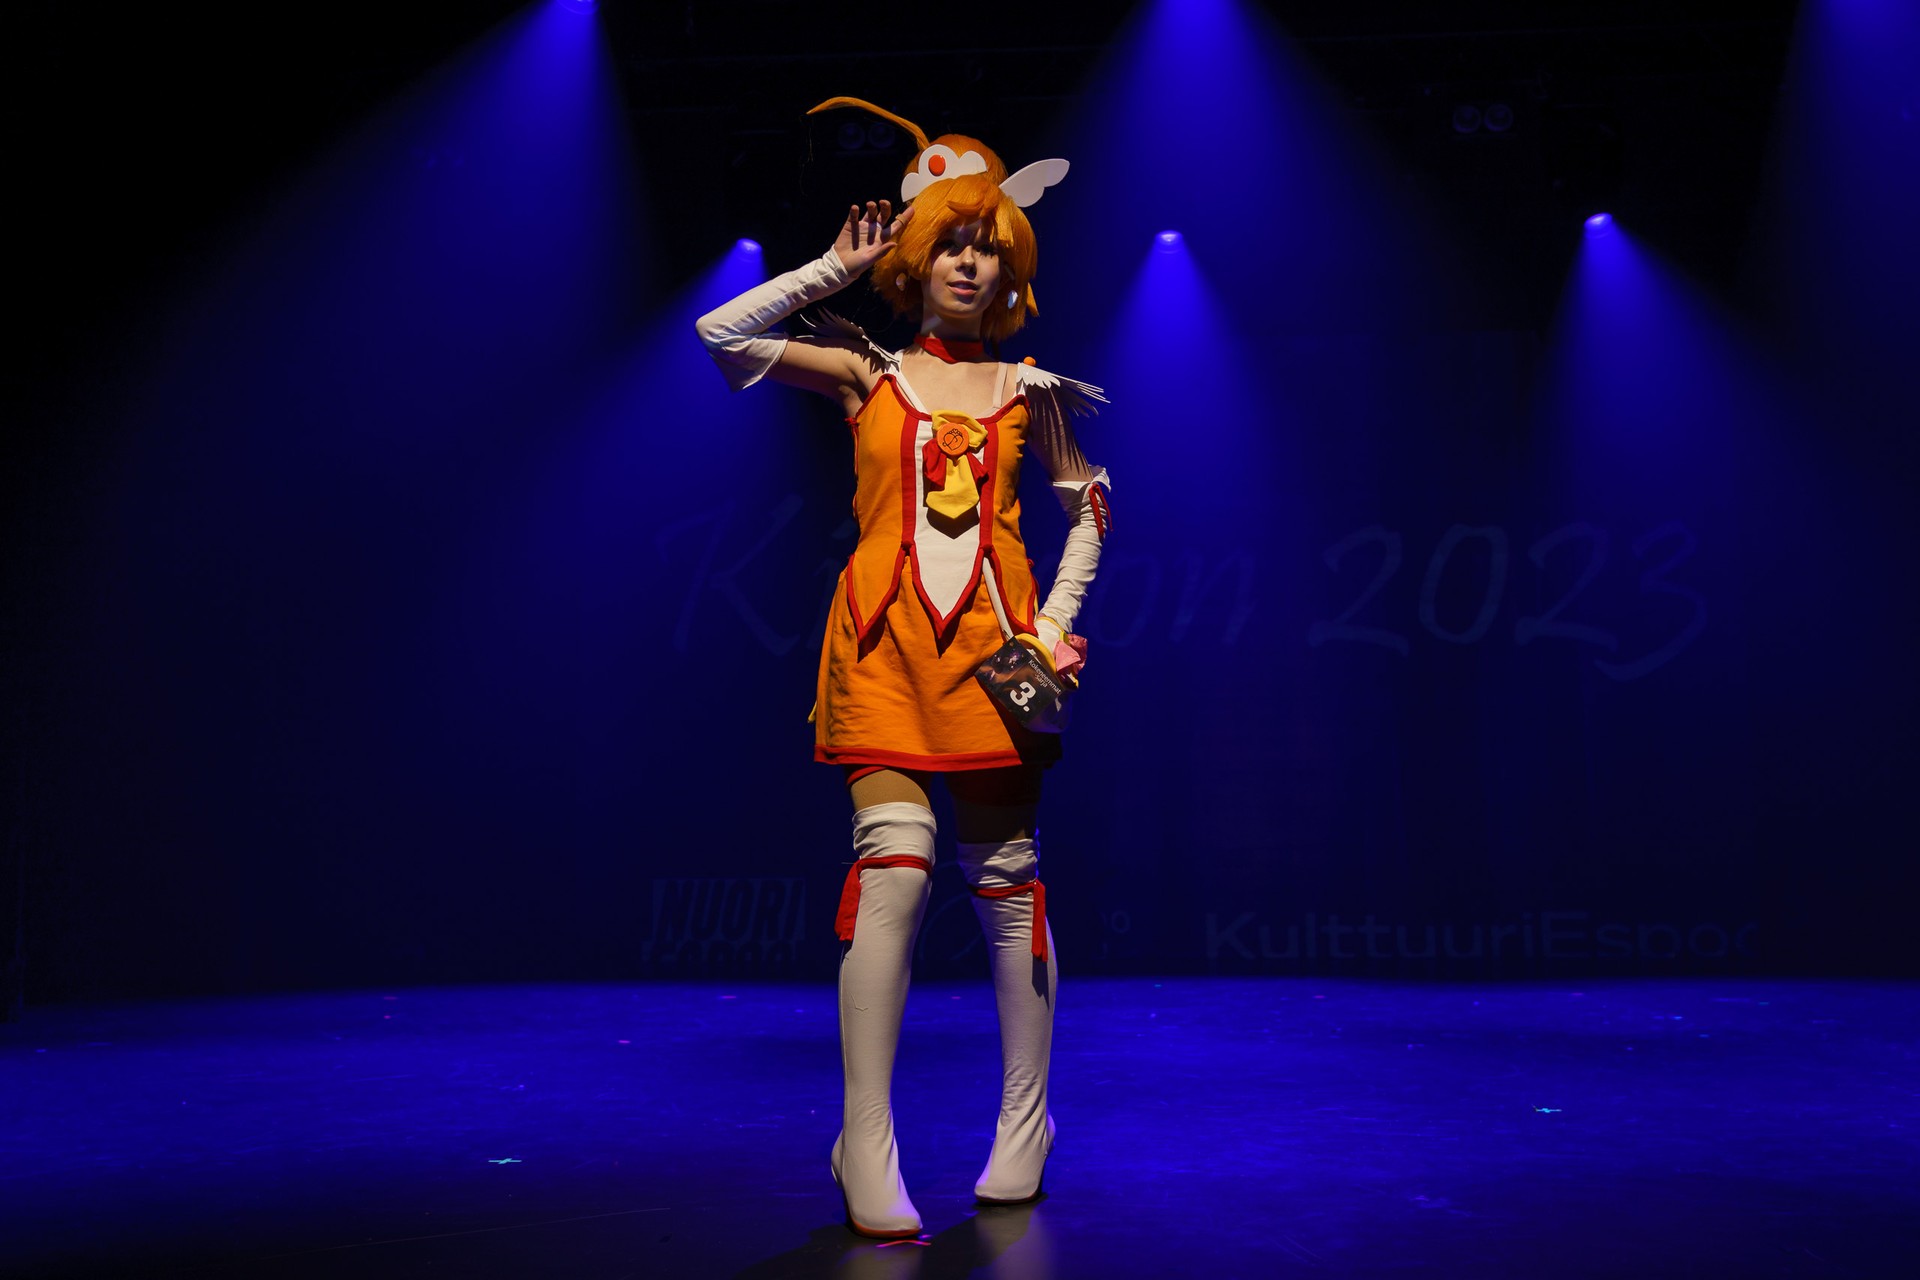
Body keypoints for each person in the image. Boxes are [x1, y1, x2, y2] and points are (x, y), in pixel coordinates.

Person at [695, 97, 1111, 1239]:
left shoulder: (1032, 391)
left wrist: (1053, 626)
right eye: (951, 245)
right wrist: (832, 269)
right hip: (882, 646)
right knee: (895, 874)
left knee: (1008, 881)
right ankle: (863, 1137)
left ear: (1010, 265)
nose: (969, 264)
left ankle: (1026, 1121)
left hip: (996, 660)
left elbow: (1087, 508)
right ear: (916, 259)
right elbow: (722, 333)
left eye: (988, 248)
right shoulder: (863, 372)